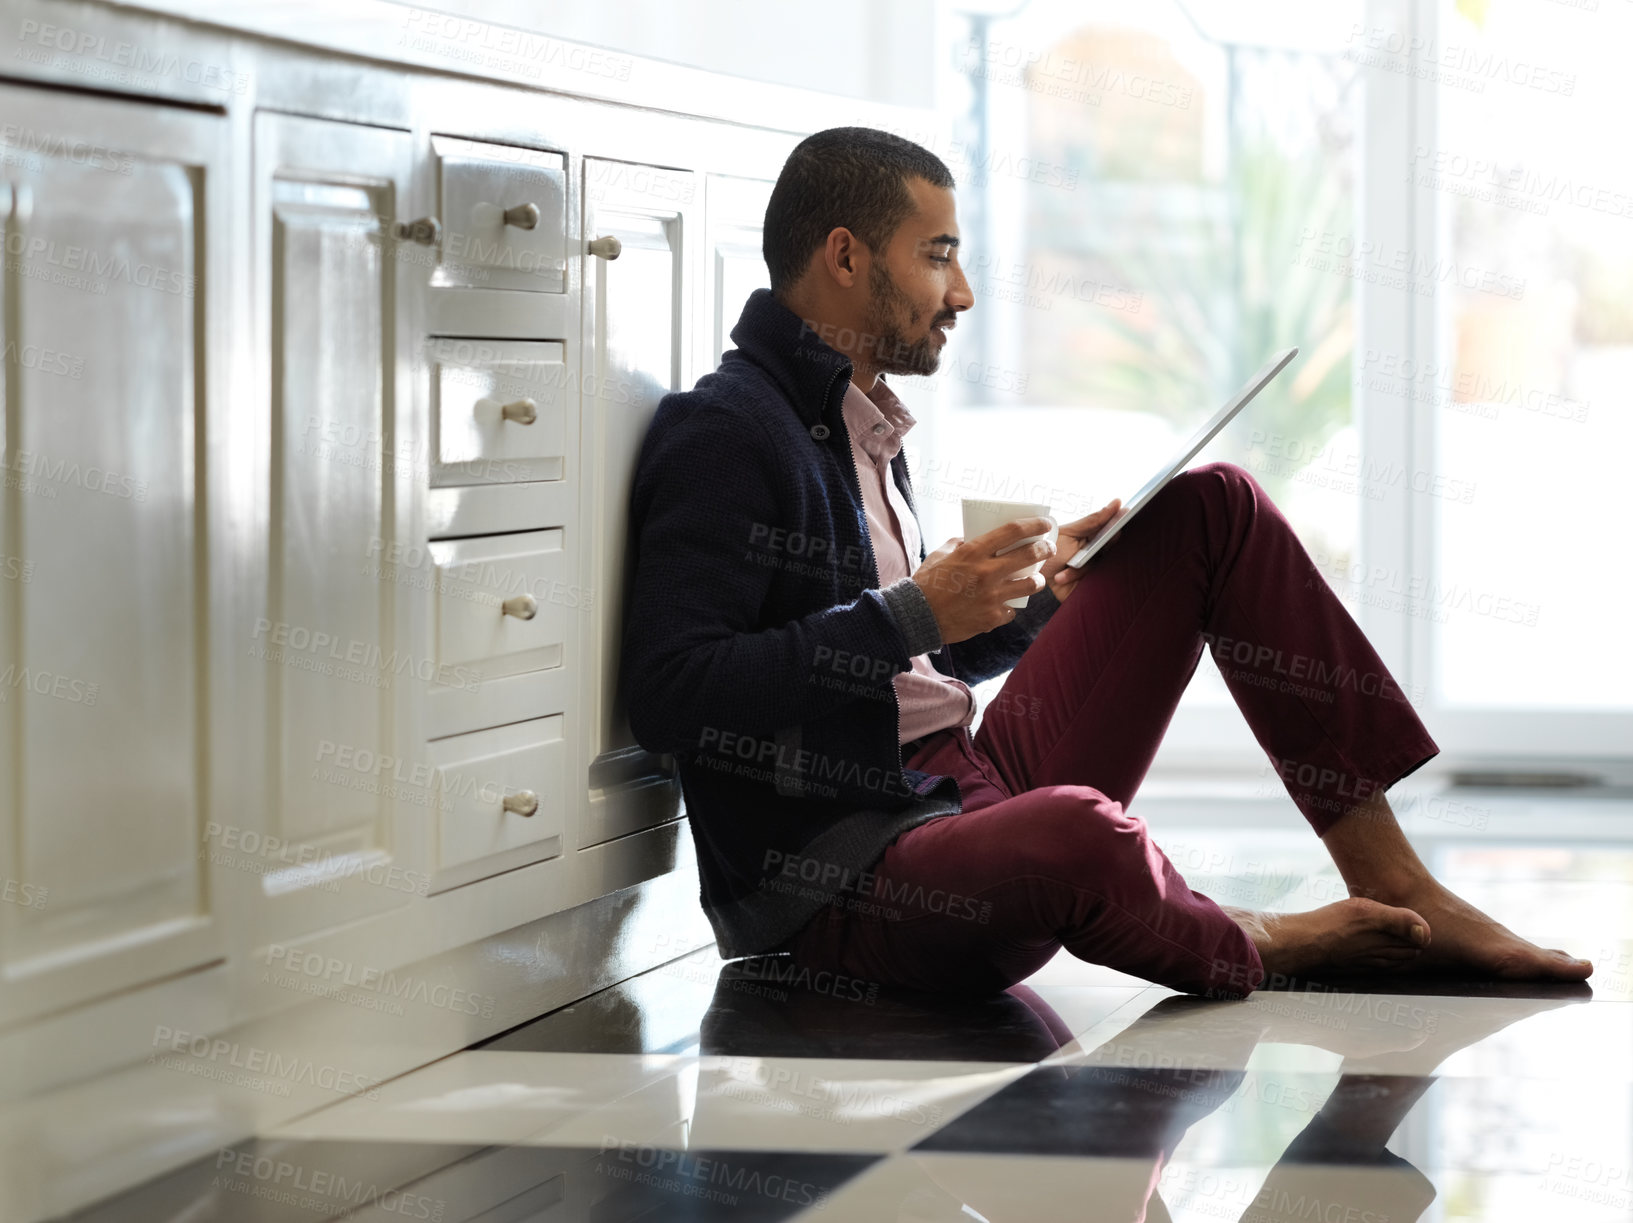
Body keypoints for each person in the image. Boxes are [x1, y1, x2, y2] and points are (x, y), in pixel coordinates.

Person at [620, 125, 1593, 999]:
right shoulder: (725, 432)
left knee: (1214, 505)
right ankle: (1254, 940)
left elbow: (889, 675)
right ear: (844, 255)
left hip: (958, 788)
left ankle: (1394, 876)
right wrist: (919, 611)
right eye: (937, 255)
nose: (960, 292)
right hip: (847, 885)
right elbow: (672, 694)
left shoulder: (858, 418)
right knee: (1076, 834)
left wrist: (1017, 610)